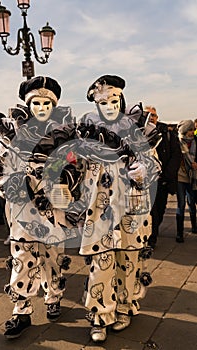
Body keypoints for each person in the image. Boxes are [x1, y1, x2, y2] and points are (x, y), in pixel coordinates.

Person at [0, 76, 81, 339]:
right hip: (23, 213)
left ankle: (53, 298)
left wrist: (68, 186)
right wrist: (23, 186)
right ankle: (21, 310)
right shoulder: (10, 138)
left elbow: (77, 169)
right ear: (27, 105)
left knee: (53, 259)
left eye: (46, 103)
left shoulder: (65, 137)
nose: (41, 108)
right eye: (35, 103)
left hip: (54, 213)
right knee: (22, 260)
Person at [76, 75, 160, 342]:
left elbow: (154, 165)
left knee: (129, 262)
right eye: (104, 102)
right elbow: (73, 169)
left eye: (114, 100)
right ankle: (101, 315)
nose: (110, 105)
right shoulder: (85, 136)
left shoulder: (137, 131)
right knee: (101, 265)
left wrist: (143, 170)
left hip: (131, 212)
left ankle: (124, 308)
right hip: (98, 212)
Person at [143, 106, 182, 249]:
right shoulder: (137, 132)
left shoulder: (167, 132)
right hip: (144, 181)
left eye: (153, 115)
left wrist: (166, 176)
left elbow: (176, 155)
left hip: (162, 180)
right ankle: (150, 238)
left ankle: (152, 233)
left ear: (157, 117)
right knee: (148, 210)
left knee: (159, 209)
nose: (150, 117)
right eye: (147, 115)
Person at [176, 119, 197, 243]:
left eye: (192, 129)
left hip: (192, 176)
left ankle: (194, 226)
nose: (192, 132)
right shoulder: (177, 142)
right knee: (181, 204)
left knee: (192, 202)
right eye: (190, 130)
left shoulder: (195, 141)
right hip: (180, 176)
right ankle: (179, 233)